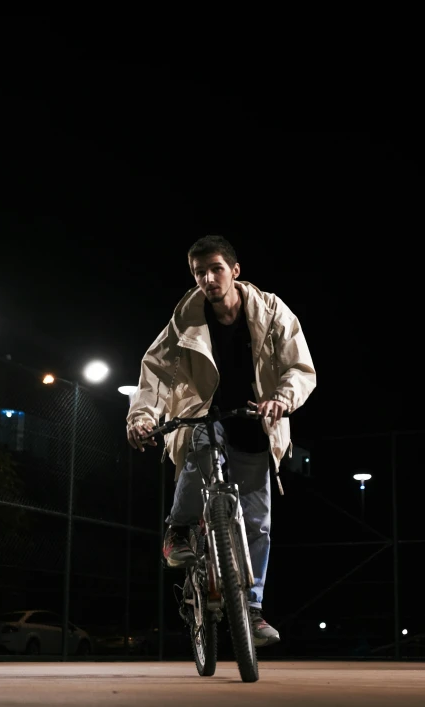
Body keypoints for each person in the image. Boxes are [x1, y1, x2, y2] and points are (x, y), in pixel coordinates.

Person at [126, 235, 316, 646]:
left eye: (215, 269)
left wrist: (281, 398)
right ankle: (177, 531)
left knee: (258, 521)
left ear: (235, 270)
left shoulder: (271, 311)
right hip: (204, 413)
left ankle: (252, 609)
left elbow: (299, 366)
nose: (208, 279)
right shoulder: (186, 317)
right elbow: (155, 371)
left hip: (253, 417)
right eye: (199, 273)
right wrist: (142, 417)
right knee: (200, 445)